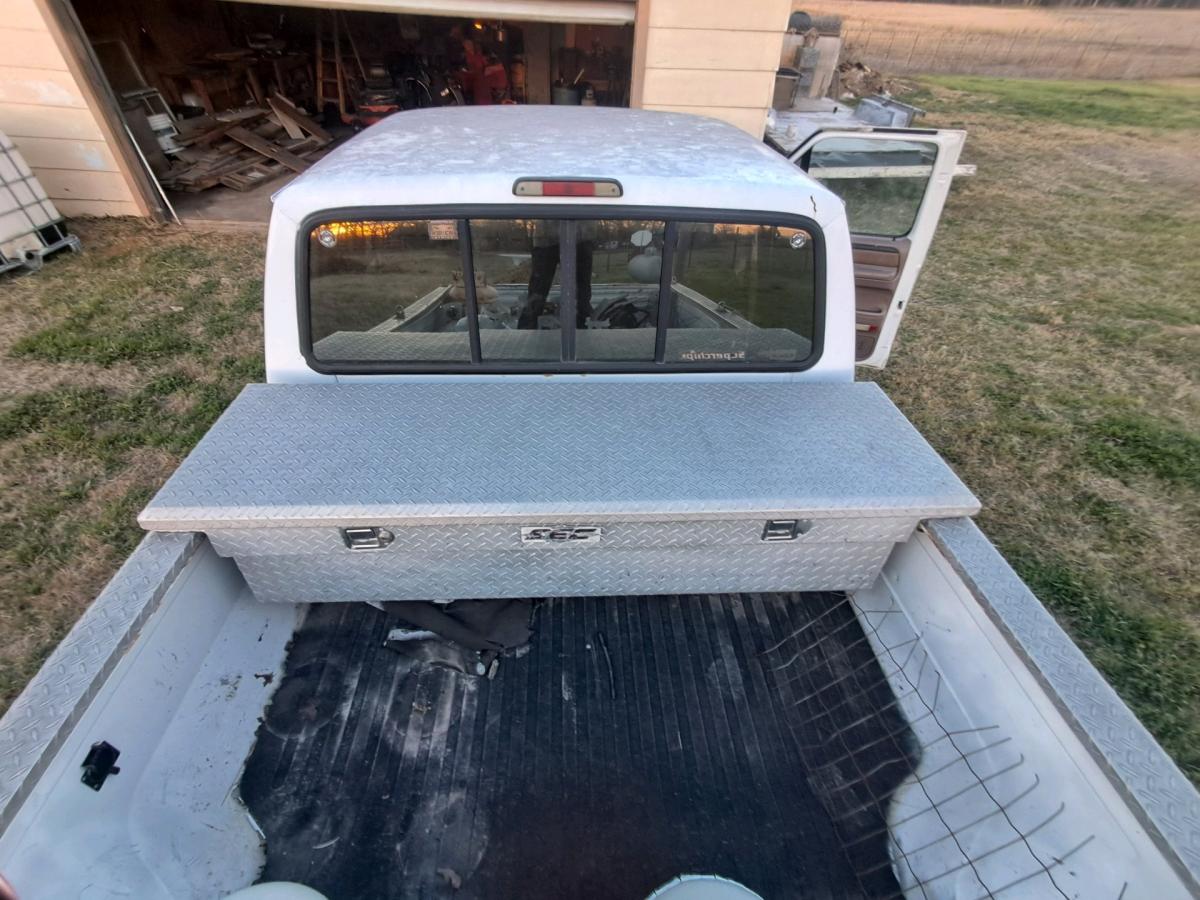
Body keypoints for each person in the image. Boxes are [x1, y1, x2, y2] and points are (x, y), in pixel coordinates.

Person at [519, 222, 593, 329]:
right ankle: (525, 332)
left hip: (578, 235)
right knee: (537, 292)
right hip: (549, 235)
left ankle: (583, 331)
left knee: (582, 293)